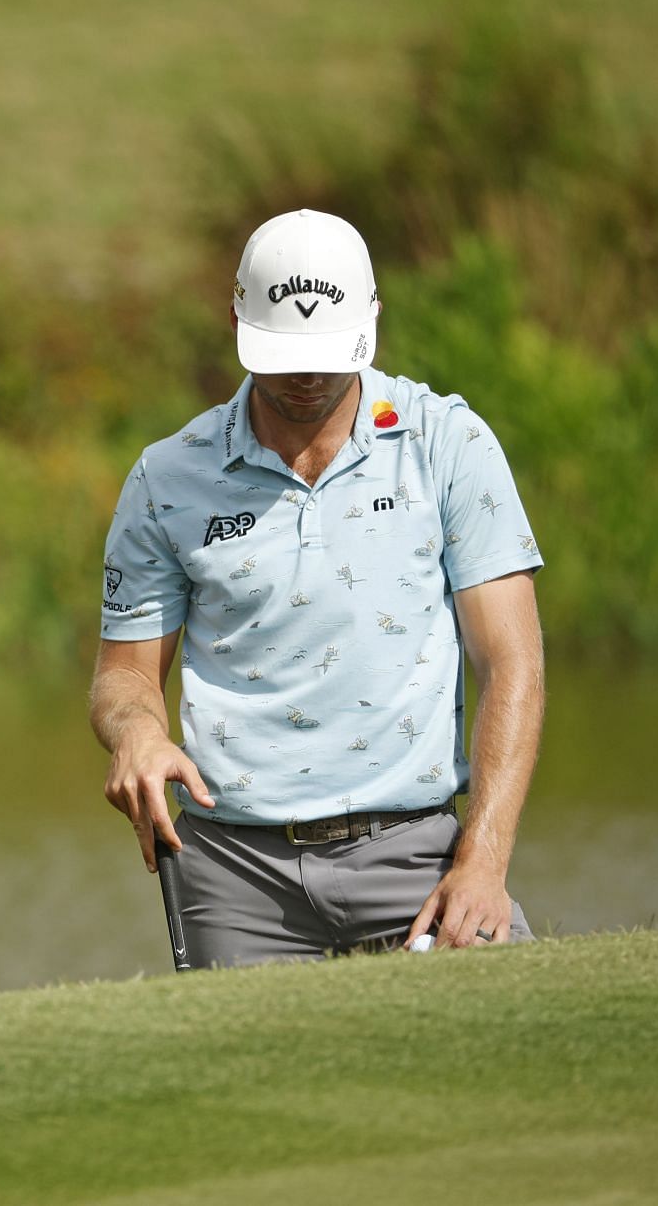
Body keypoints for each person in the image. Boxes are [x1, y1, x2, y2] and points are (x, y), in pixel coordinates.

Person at [90, 208, 544, 966]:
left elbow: (512, 664)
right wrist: (138, 731)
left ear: (372, 319)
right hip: (235, 877)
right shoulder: (167, 479)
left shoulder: (446, 444)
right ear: (236, 318)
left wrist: (485, 863)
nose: (306, 375)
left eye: (327, 351)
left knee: (514, 1055)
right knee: (244, 1085)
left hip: (418, 857)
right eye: (282, 350)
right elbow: (123, 674)